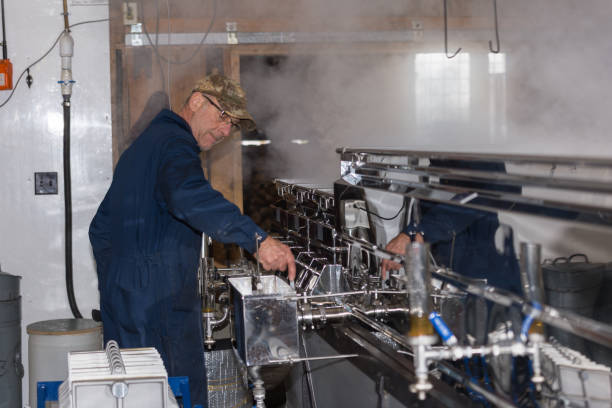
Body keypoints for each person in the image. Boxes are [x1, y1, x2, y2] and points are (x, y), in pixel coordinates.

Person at [89, 73, 296, 406]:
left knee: (137, 396)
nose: (226, 130)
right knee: (178, 395)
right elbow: (188, 196)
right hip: (158, 305)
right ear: (198, 101)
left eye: (233, 125)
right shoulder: (174, 144)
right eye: (223, 117)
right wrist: (257, 240)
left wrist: (122, 279)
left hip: (129, 300)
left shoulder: (149, 143)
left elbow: (99, 228)